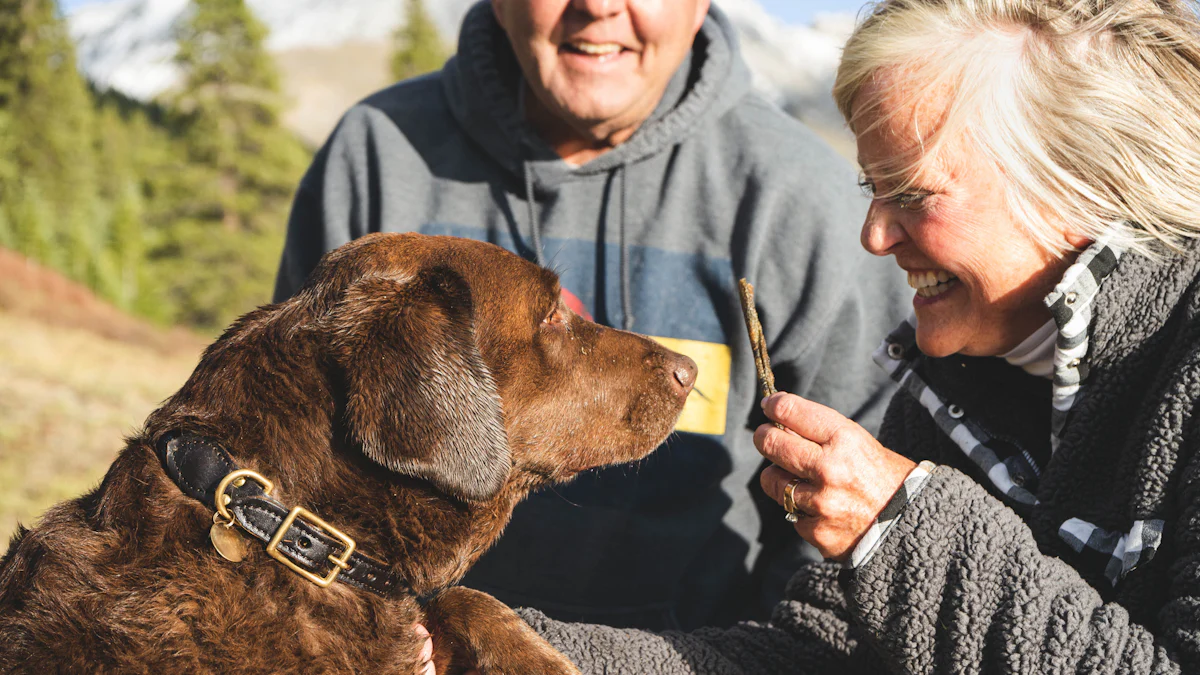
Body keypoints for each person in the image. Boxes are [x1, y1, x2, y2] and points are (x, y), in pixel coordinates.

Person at [505, 0, 1200, 671]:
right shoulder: (951, 389)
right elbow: (823, 656)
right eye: (873, 186)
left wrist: (900, 528)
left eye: (914, 193)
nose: (873, 235)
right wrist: (504, 654)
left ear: (1084, 182)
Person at [272, 0, 908, 632]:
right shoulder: (379, 157)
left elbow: (851, 527)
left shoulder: (799, 198)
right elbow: (289, 457)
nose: (598, 8)